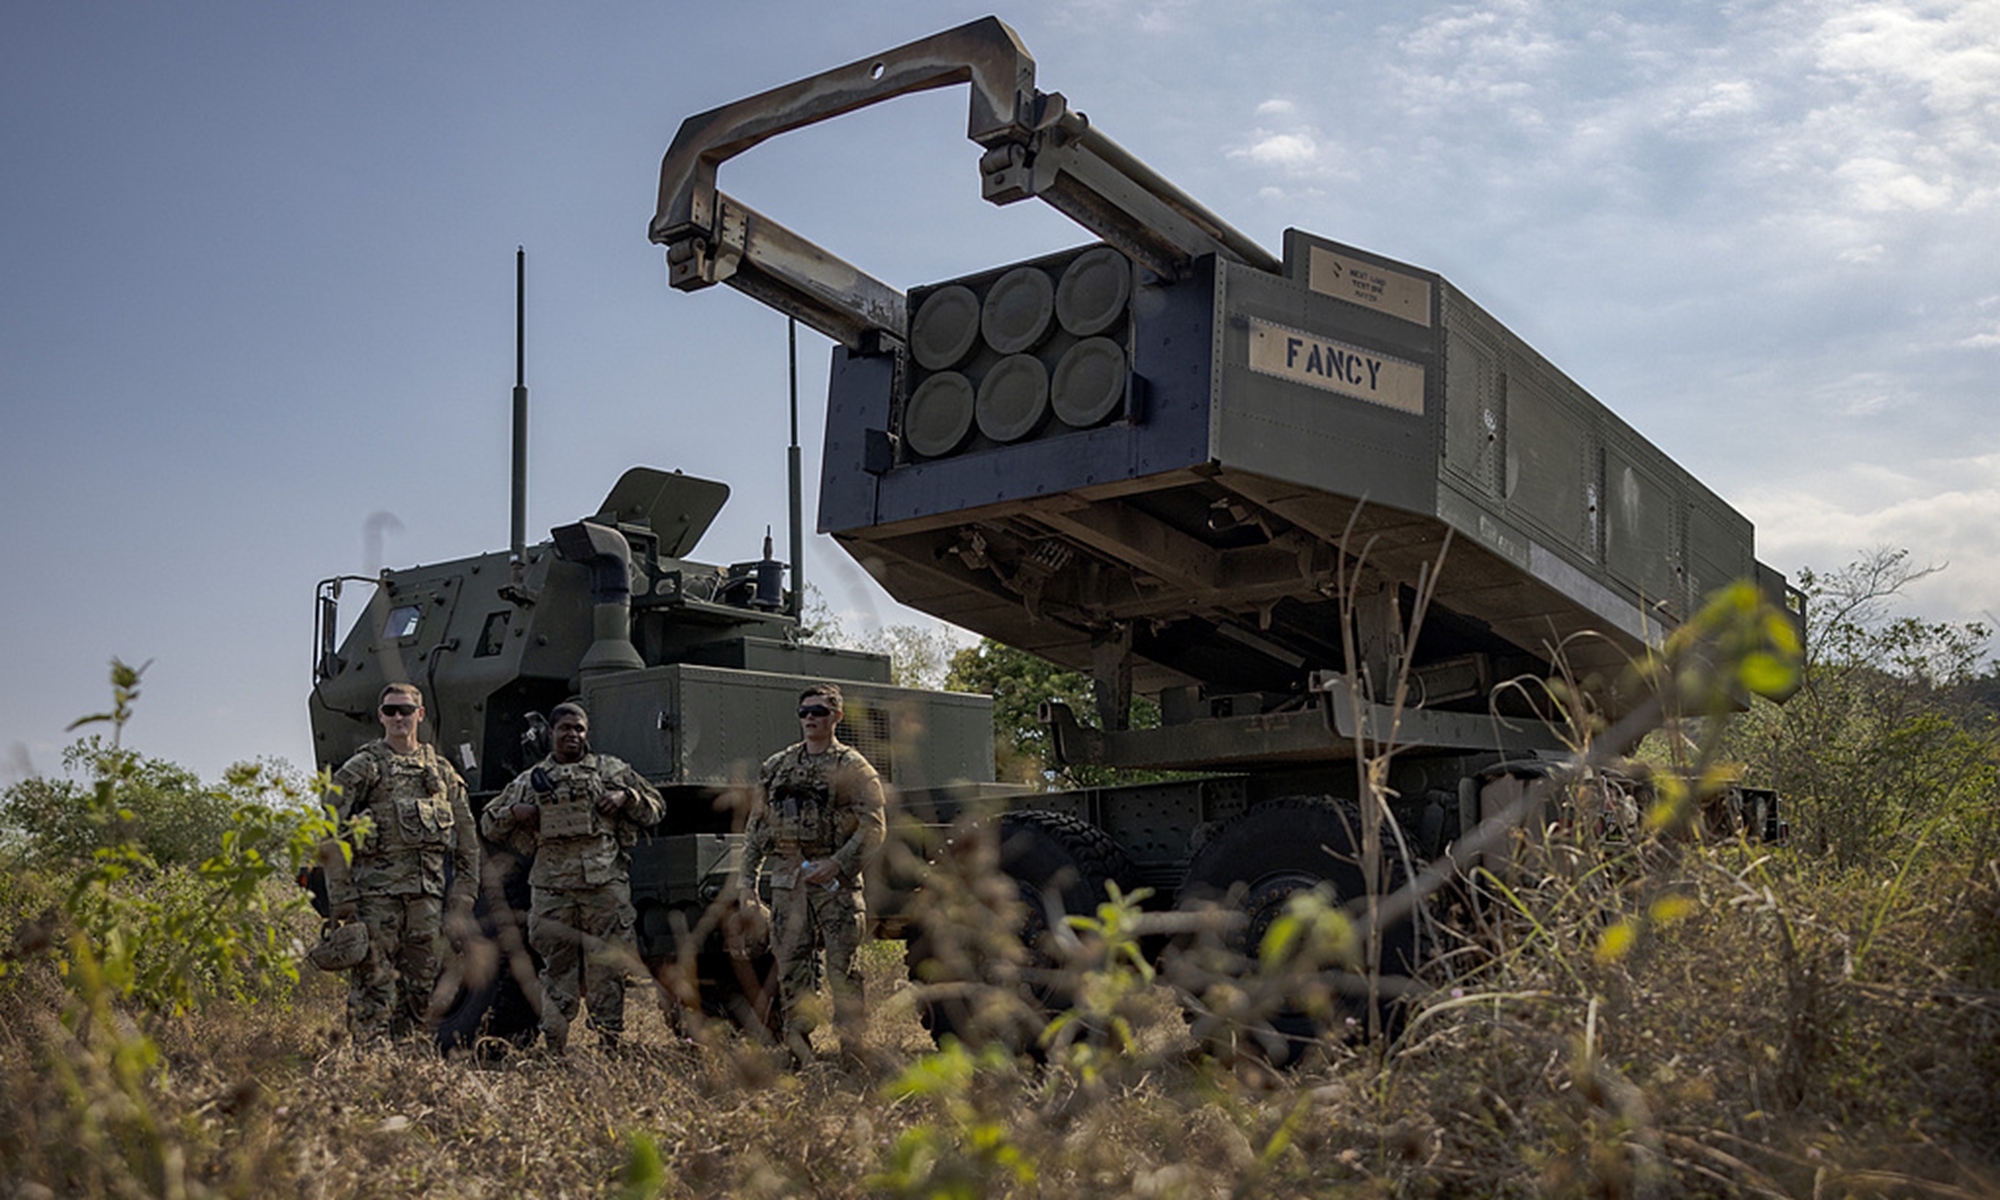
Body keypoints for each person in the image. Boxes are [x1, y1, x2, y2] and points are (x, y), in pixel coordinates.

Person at [482, 701, 664, 1051]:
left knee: (608, 968)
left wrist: (626, 797)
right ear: (551, 733)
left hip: (604, 887)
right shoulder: (531, 780)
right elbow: (488, 824)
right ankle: (555, 1047)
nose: (572, 735)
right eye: (565, 728)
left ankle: (609, 1044)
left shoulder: (612, 771)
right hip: (553, 890)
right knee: (556, 970)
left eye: (579, 729)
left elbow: (657, 807)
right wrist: (515, 812)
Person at [320, 683, 480, 1047]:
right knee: (374, 986)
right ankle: (370, 1068)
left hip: (426, 901)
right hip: (376, 900)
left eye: (405, 710)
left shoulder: (441, 772)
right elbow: (328, 828)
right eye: (390, 710)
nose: (398, 718)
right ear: (380, 716)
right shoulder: (365, 766)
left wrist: (465, 895)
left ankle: (408, 1068)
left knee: (422, 990)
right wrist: (342, 896)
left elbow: (468, 839)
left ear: (419, 715)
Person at [738, 683, 886, 1060]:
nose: (809, 719)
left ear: (836, 716)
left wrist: (836, 863)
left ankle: (853, 1052)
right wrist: (747, 886)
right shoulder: (777, 766)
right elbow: (756, 829)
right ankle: (797, 1051)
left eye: (818, 711)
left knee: (843, 971)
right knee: (792, 970)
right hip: (789, 883)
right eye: (803, 712)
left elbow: (874, 826)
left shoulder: (853, 767)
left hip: (837, 884)